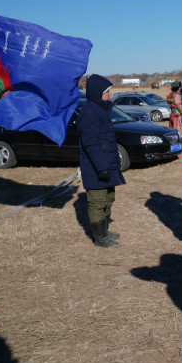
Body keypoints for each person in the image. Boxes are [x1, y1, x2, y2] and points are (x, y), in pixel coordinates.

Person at [78, 74, 125, 248]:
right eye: (107, 92)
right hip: (96, 167)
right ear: (98, 93)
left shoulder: (100, 110)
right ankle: (100, 238)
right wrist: (101, 167)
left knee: (108, 198)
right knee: (97, 201)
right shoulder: (90, 112)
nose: (110, 95)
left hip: (106, 165)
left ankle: (105, 231)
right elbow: (90, 144)